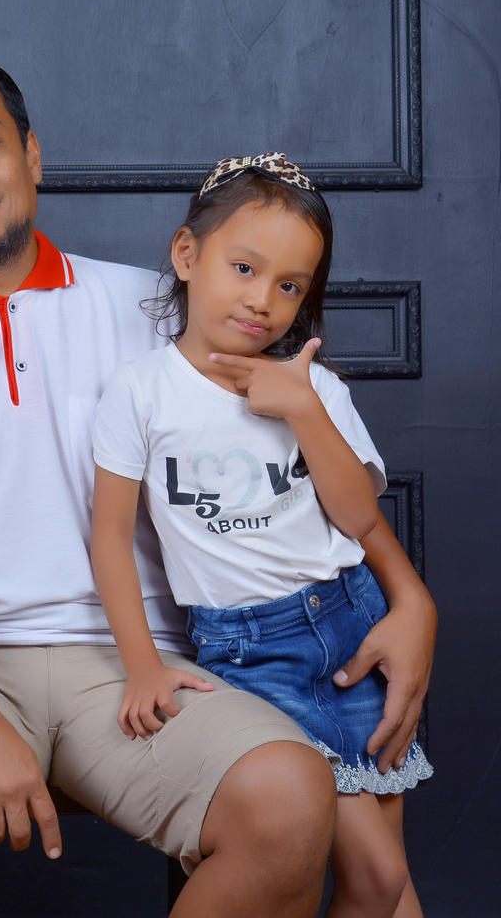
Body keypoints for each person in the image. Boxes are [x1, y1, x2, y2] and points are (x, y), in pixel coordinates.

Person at [0, 46, 437, 918]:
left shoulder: (165, 308)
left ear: (32, 156)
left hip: (143, 662)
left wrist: (409, 600)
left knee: (286, 795)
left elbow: (298, 472)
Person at [90, 153, 433, 917]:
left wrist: (303, 407)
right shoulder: (142, 392)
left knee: (386, 882)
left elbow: (358, 515)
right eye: (244, 268)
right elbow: (109, 537)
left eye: (290, 285)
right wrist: (142, 664)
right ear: (188, 255)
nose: (263, 300)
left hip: (351, 624)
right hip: (251, 652)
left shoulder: (317, 389)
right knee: (373, 876)